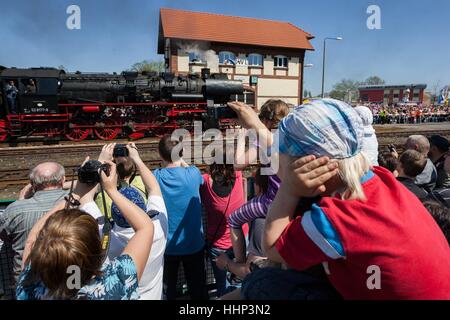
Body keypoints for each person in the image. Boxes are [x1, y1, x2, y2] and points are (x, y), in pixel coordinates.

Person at [256, 98, 450, 300]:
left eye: (278, 153)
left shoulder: (337, 219)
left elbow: (272, 246)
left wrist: (288, 189)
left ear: (308, 164)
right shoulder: (381, 177)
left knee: (263, 283)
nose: (274, 158)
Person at [16, 160, 156, 300]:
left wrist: (75, 195)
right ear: (95, 247)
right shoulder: (114, 286)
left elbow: (31, 240)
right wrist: (111, 190)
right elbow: (146, 227)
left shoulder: (29, 286)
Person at [94, 143, 168, 300]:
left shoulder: (103, 236)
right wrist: (137, 159)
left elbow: (84, 199)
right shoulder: (158, 229)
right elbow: (154, 189)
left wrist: (99, 164)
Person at [227, 99, 289, 265]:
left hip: (271, 202)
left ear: (266, 121)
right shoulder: (291, 136)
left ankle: (239, 261)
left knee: (234, 219)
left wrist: (241, 137)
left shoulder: (263, 141)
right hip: (292, 201)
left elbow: (238, 164)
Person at [153, 135, 208, 300]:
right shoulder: (193, 173)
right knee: (197, 286)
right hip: (193, 242)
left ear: (161, 155)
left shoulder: (156, 176)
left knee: (168, 287)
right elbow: (195, 175)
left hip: (167, 245)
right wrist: (181, 160)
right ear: (181, 153)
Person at [0, 162, 67, 288]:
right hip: (70, 279)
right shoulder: (77, 201)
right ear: (63, 180)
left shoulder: (14, 210)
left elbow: (4, 236)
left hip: (29, 283)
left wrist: (20, 202)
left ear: (32, 184)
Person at [200, 150, 247, 297]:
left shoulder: (206, 182)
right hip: (241, 239)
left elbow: (191, 176)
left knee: (222, 284)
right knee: (240, 281)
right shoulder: (238, 175)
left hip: (218, 245)